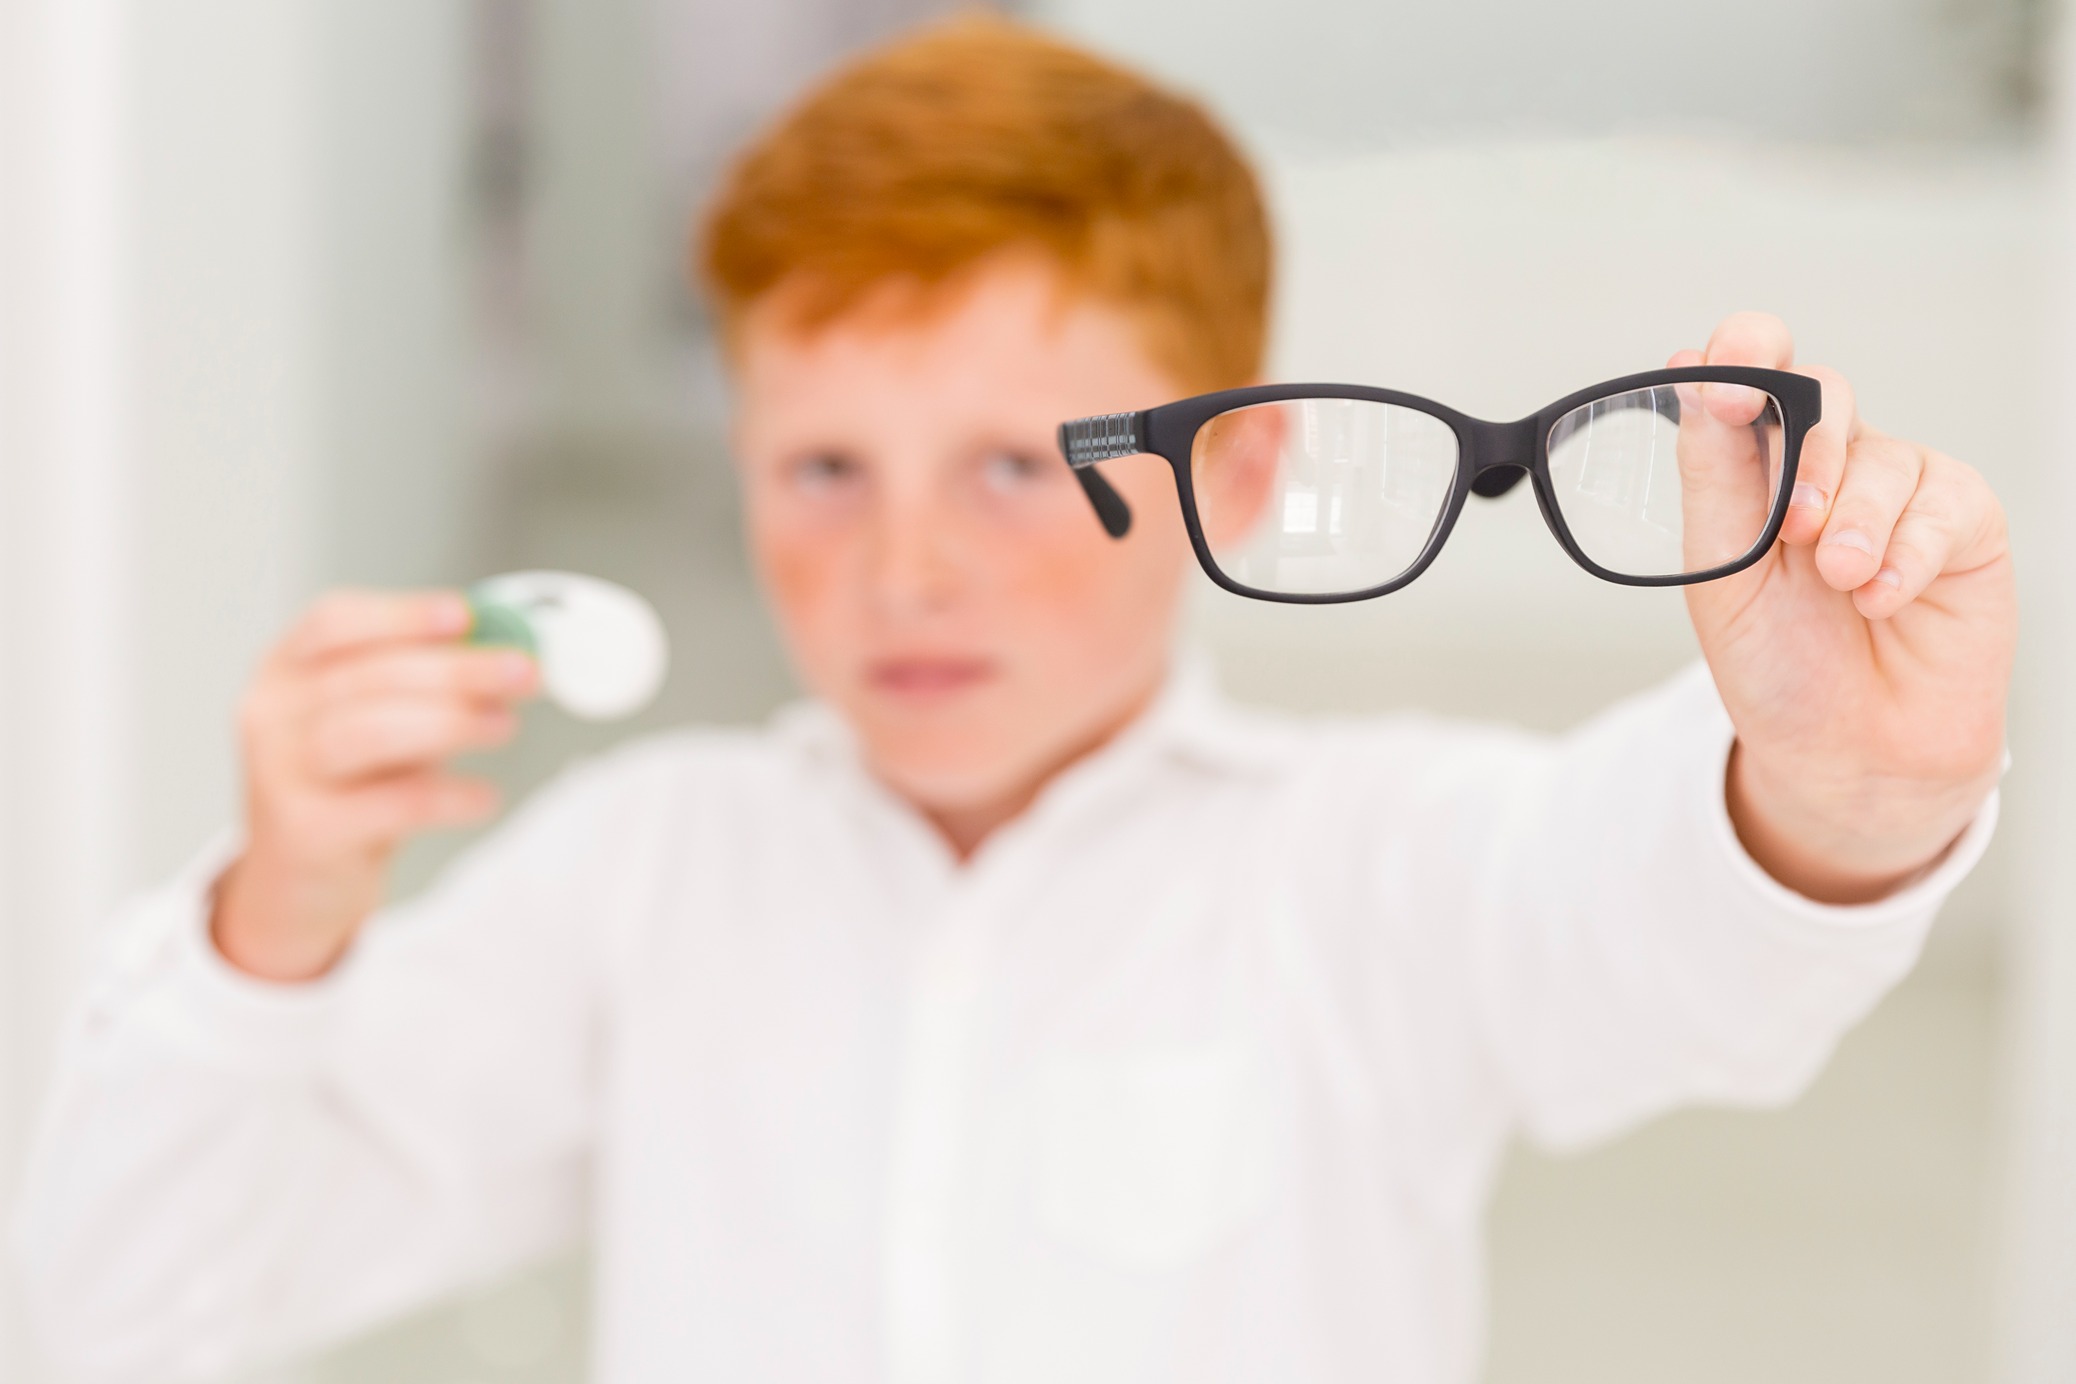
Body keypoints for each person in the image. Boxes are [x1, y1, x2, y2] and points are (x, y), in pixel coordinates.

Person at [17, 16, 2014, 1384]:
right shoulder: (644, 873)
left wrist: (1843, 786)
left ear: (1237, 472)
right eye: (824, 469)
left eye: (1007, 468)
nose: (904, 567)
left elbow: (1663, 932)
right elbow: (128, 1300)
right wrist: (269, 931)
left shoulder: (1373, 860)